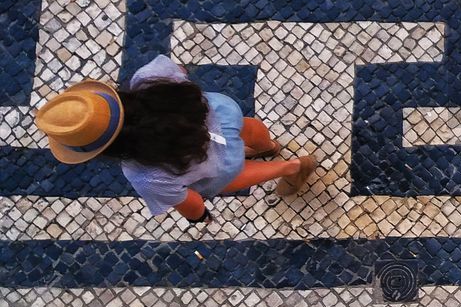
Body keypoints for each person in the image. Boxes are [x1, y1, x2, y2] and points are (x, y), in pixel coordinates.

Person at [34, 56, 317, 223]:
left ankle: (291, 167)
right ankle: (269, 147)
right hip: (219, 112)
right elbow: (179, 71)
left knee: (234, 171)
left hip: (216, 162)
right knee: (247, 128)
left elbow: (189, 202)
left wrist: (200, 217)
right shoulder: (147, 77)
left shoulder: (144, 174)